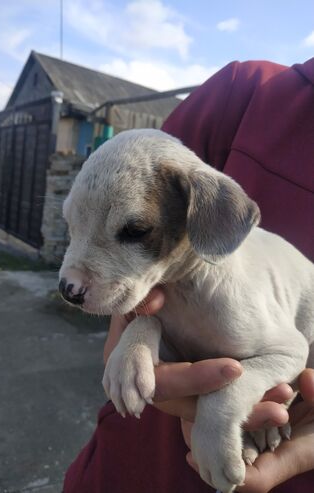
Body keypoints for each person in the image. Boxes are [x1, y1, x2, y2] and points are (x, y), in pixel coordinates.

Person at [63, 58, 314, 493]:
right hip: (131, 464)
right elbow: (160, 315)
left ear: (207, 218)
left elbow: (291, 349)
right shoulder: (248, 93)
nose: (70, 282)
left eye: (134, 231)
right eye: (73, 225)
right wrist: (136, 336)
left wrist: (225, 407)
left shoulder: (235, 300)